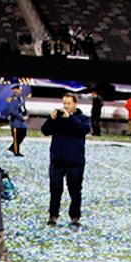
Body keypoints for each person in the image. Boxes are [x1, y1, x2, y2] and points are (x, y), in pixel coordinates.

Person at [40, 92, 90, 229]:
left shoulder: (82, 118)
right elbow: (45, 131)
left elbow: (83, 130)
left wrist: (70, 118)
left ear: (75, 104)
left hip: (75, 162)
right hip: (57, 161)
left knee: (75, 191)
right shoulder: (58, 119)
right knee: (55, 190)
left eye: (69, 103)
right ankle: (53, 216)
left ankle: (75, 217)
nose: (66, 106)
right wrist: (51, 119)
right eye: (64, 103)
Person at [7, 84, 30, 156]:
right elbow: (12, 111)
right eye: (18, 89)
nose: (20, 91)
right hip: (15, 121)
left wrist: (27, 114)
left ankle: (12, 147)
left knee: (23, 134)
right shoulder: (10, 99)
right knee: (16, 137)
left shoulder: (21, 99)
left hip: (22, 122)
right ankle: (16, 151)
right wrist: (21, 117)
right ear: (14, 90)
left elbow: (24, 108)